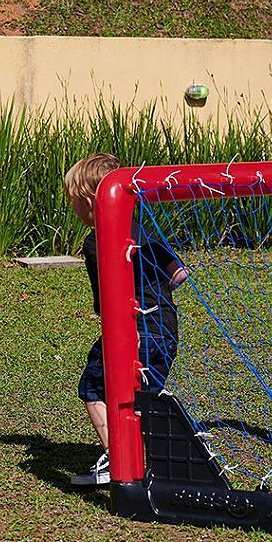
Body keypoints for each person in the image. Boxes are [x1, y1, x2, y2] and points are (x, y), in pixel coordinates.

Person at [64, 153, 186, 487]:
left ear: (91, 201)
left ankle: (115, 458)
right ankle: (156, 456)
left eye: (73, 201)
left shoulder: (96, 240)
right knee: (143, 396)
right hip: (166, 330)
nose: (72, 208)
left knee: (94, 388)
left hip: (130, 330)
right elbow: (179, 274)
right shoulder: (145, 231)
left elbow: (106, 300)